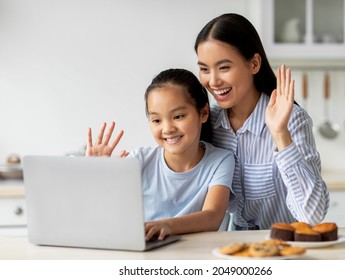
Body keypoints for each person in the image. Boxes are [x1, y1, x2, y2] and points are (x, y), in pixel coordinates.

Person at [194, 13, 329, 230]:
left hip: (284, 250)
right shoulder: (208, 121)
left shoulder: (292, 119)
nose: (213, 80)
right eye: (204, 69)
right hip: (232, 252)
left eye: (224, 67)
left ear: (254, 64)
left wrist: (280, 134)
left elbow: (312, 216)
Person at [86, 68, 235, 240]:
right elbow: (105, 211)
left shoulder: (221, 160)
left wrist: (166, 225)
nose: (167, 129)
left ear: (203, 113)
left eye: (178, 116)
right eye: (156, 120)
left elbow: (213, 217)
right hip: (146, 252)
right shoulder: (139, 159)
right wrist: (95, 174)